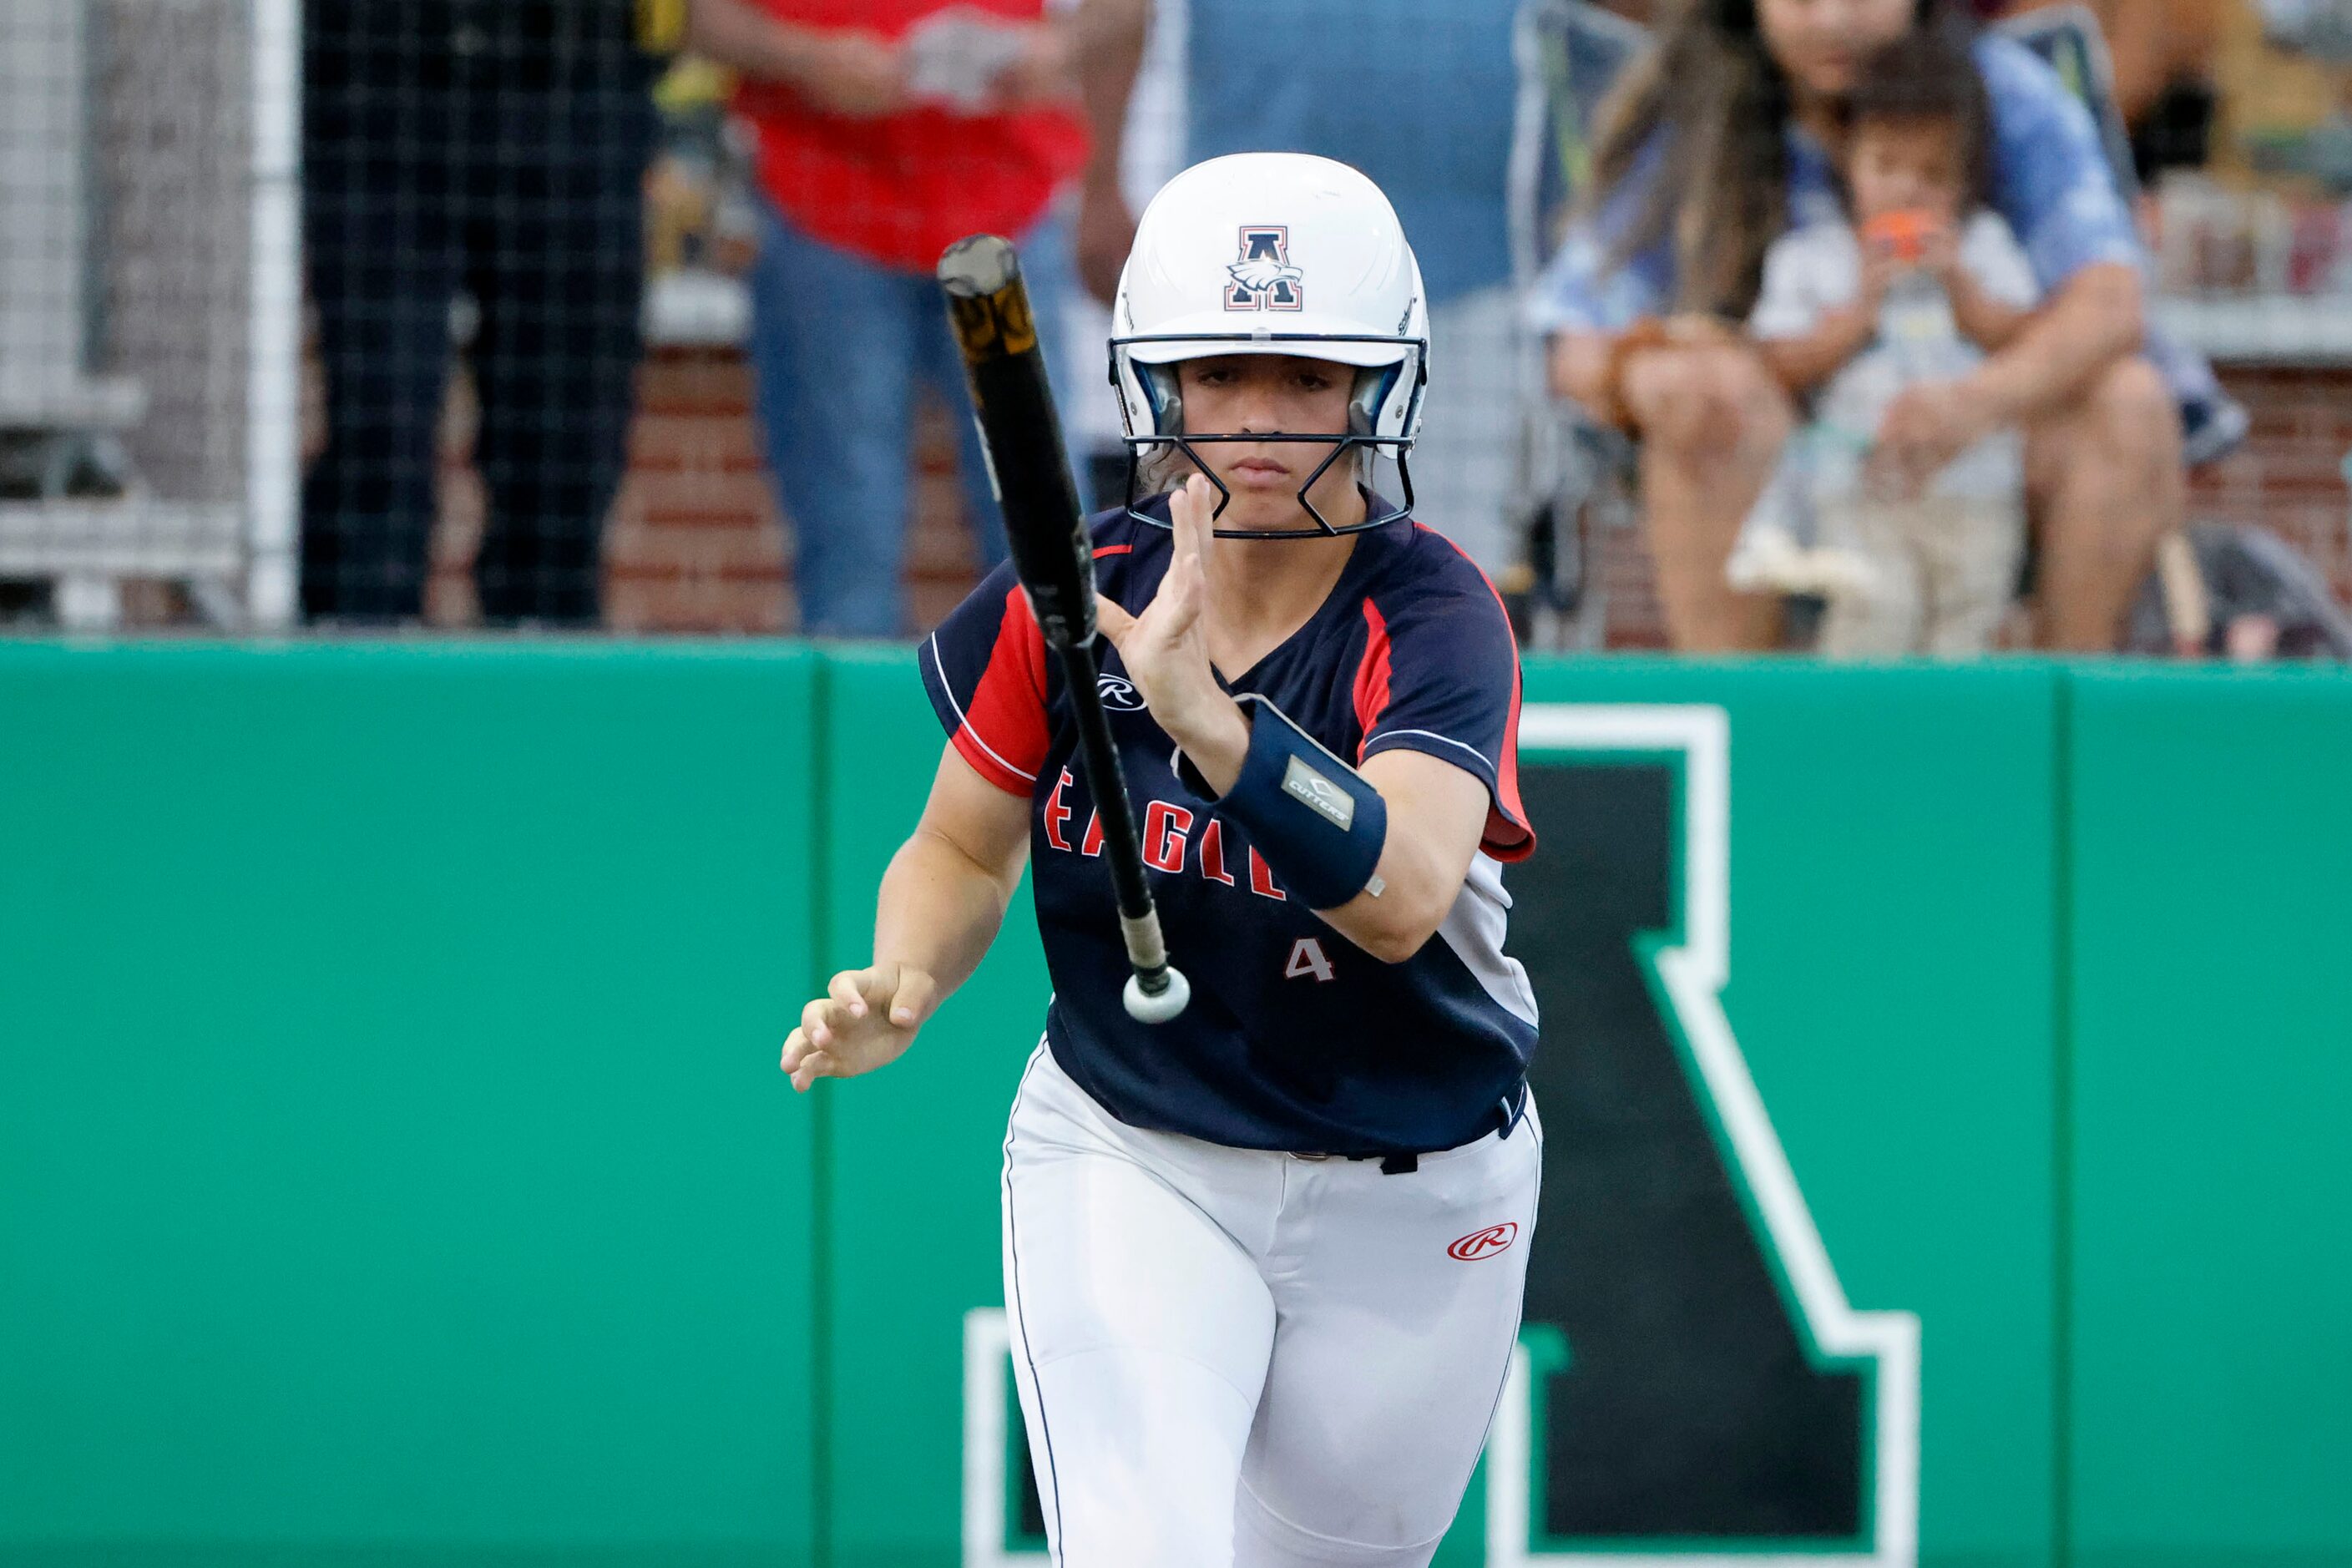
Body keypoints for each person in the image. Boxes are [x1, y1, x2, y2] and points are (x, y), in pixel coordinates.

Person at [780, 154, 1542, 1565]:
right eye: (1219, 371)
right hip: (1131, 1144)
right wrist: (906, 971)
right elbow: (957, 843)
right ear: (1160, 387)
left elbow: (1401, 895)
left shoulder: (1435, 616)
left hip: (1417, 1178)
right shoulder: (1066, 597)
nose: (1259, 418)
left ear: (1374, 391)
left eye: (1305, 376)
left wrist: (1212, 724)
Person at [1530, 0, 2184, 653]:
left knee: (2130, 403)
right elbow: (1577, 336)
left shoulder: (2002, 88)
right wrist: (1668, 375)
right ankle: (1745, 733)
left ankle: (2055, 727)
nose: (1831, 20)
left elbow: (2110, 302)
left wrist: (1971, 402)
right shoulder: (1698, 105)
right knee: (1707, 389)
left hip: (1988, 472)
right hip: (1780, 479)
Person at [1072, 0, 1529, 577]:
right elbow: (1117, 12)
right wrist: (1098, 185)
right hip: (1240, 266)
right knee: (1219, 532)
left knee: (1450, 550)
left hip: (1469, 251)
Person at [689, 0, 1093, 638]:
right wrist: (807, 58)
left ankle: (1069, 722)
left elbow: (1128, 12)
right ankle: (850, 729)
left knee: (1041, 516)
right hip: (824, 202)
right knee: (847, 522)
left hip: (1007, 206)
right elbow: (702, 17)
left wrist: (1062, 50)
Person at [301, 0, 664, 626]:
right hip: (378, 88)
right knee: (379, 425)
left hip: (572, 82)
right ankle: (356, 674)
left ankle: (543, 680)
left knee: (563, 445)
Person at [1731, 25, 2042, 655]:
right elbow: (1779, 362)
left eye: (1931, 173)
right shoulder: (1812, 256)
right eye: (1886, 166)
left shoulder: (1983, 247)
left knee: (1969, 627)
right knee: (1875, 615)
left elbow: (2020, 336)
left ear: (1963, 181)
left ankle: (1955, 748)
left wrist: (1961, 290)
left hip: (1974, 488)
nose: (1906, 189)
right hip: (1857, 487)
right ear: (1848, 164)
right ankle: (1862, 746)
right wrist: (1858, 313)